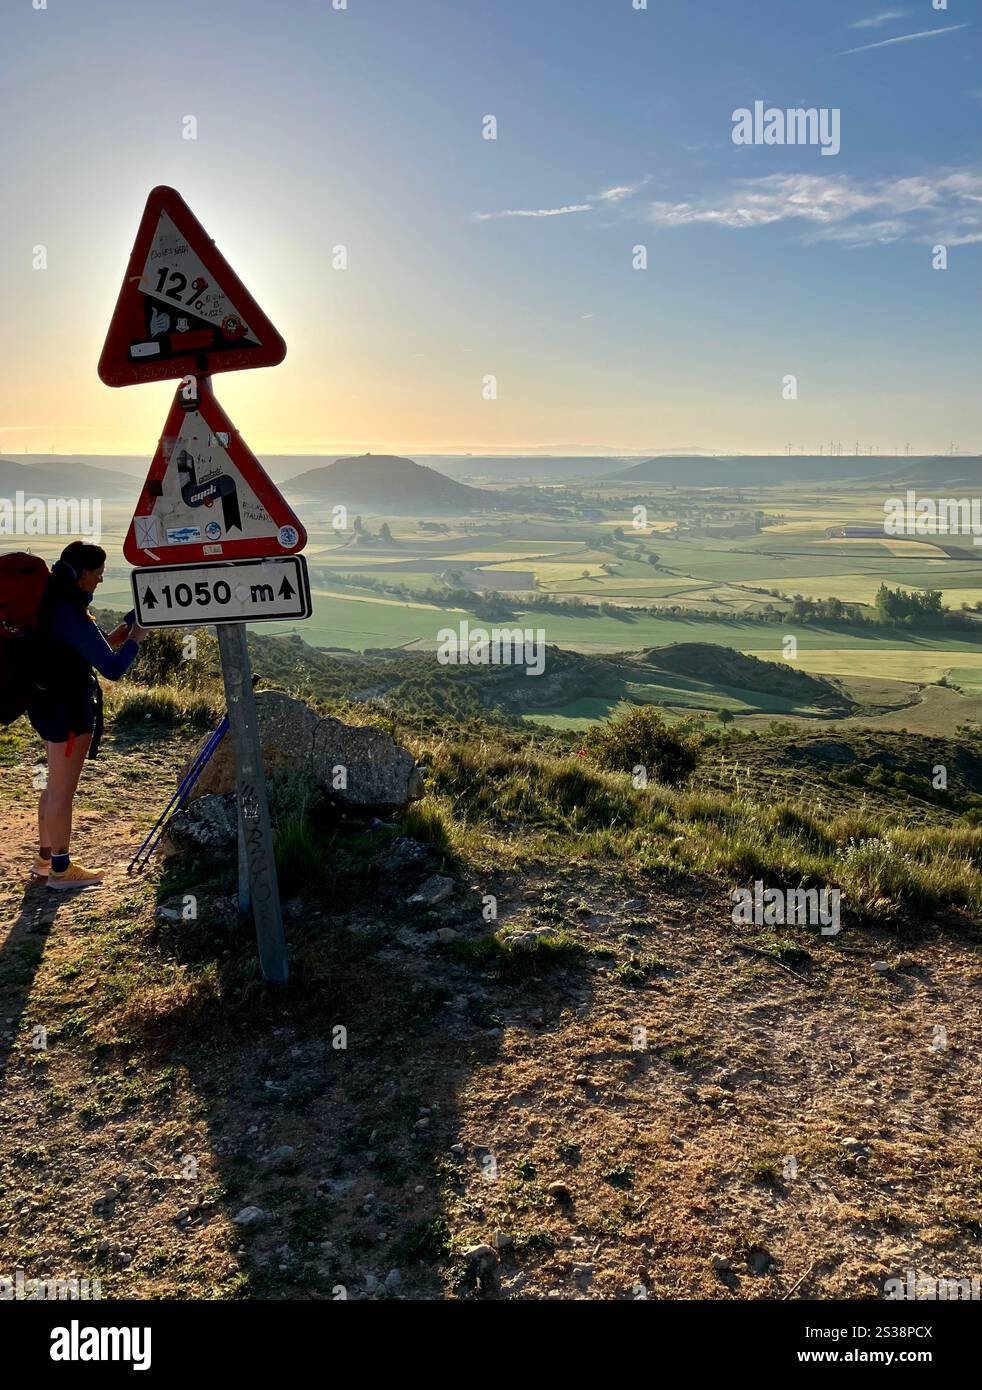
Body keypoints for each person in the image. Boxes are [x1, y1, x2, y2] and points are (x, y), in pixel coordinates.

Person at [26, 541, 149, 889]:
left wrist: (113, 638)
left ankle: (45, 860)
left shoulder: (52, 604)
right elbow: (113, 669)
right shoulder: (72, 611)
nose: (100, 579)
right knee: (62, 793)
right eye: (98, 573)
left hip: (46, 705)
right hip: (69, 712)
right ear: (82, 574)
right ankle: (61, 870)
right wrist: (136, 639)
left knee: (53, 784)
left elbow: (73, 651)